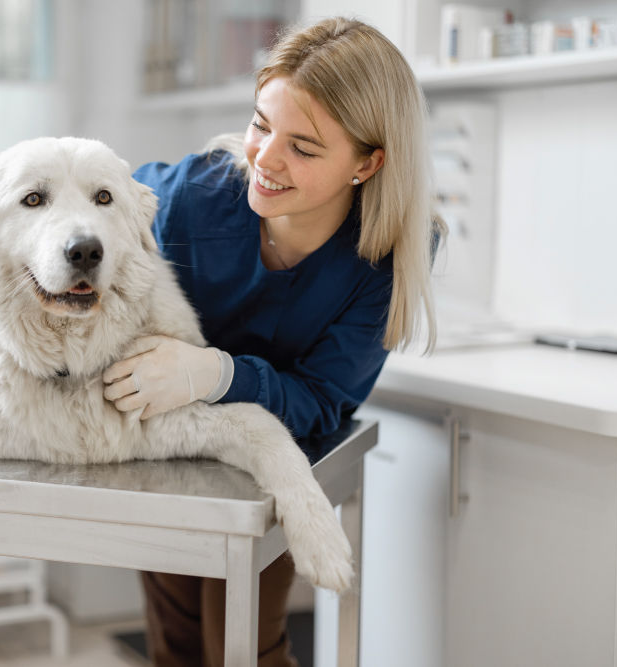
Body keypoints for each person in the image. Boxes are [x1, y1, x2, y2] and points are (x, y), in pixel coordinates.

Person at [101, 16, 441, 667]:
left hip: (272, 457)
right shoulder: (192, 199)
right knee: (176, 643)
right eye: (261, 124)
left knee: (247, 645)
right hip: (166, 446)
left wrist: (219, 374)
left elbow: (321, 400)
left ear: (368, 163)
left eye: (305, 148)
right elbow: (87, 213)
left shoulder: (386, 255)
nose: (264, 157)